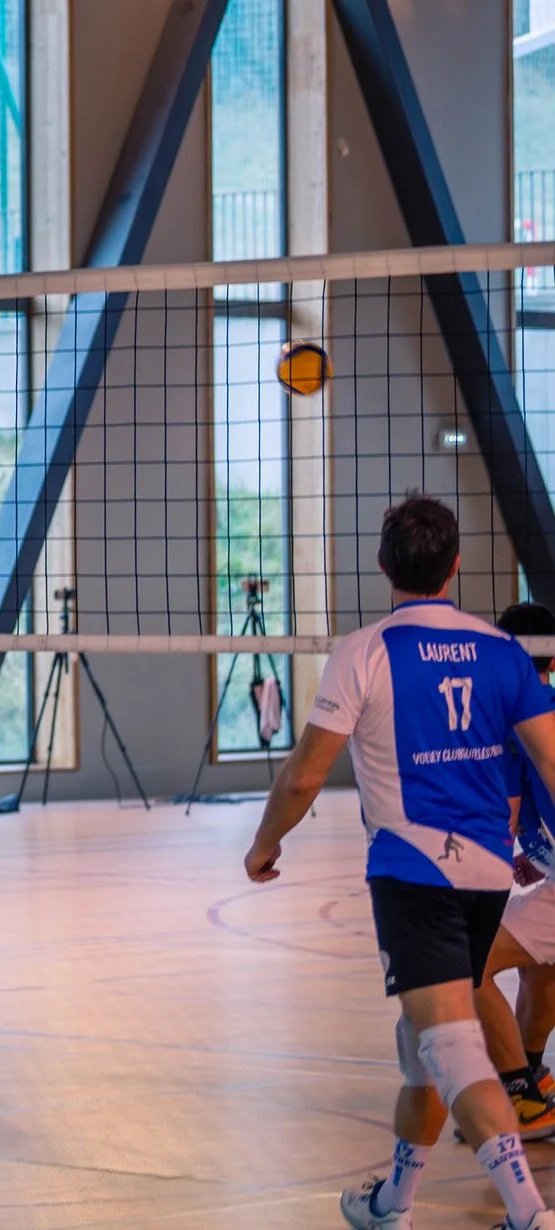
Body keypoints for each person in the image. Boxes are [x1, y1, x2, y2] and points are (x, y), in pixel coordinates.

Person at [243, 496, 555, 1230]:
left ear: (383, 567)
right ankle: (393, 1203)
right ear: (456, 565)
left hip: (415, 876)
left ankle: (528, 1213)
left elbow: (302, 776)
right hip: (485, 875)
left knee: (449, 1046)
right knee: (420, 1046)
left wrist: (265, 845)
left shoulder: (364, 652)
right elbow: (550, 759)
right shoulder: (503, 651)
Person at [466, 600, 555, 1139]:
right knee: (541, 965)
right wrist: (538, 856)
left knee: (465, 964)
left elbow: (505, 820)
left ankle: (521, 1095)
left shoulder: (515, 718)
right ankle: (532, 1078)